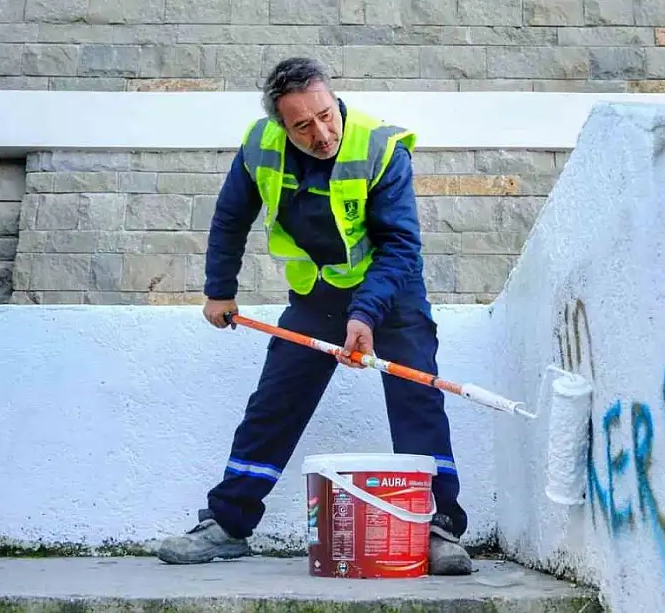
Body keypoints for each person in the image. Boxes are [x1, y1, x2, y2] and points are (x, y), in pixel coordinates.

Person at [155, 56, 472, 576]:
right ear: (282, 125)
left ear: (334, 99)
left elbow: (400, 245)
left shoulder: (380, 147)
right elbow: (230, 218)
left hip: (390, 292)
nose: (321, 133)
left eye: (326, 115)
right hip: (318, 295)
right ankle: (228, 524)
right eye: (303, 124)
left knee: (417, 399)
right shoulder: (260, 146)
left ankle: (439, 528)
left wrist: (366, 314)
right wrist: (220, 292)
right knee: (275, 403)